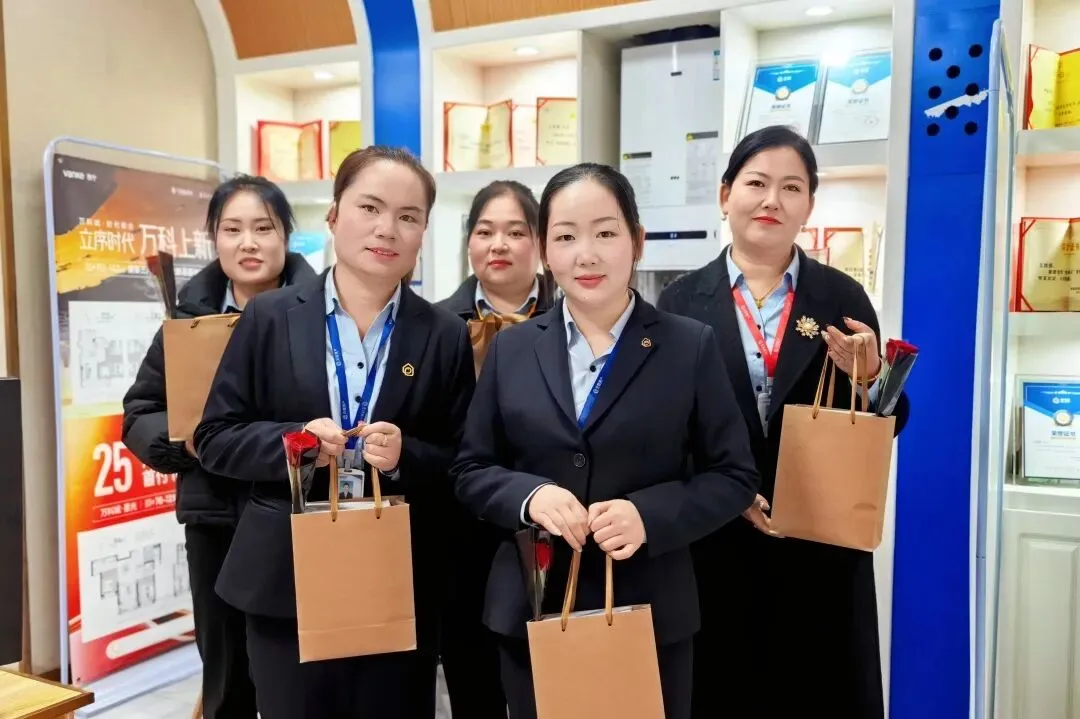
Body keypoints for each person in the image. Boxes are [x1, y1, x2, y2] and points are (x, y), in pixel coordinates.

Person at [451, 163, 760, 719]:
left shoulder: (689, 347)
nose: (586, 255)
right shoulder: (513, 350)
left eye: (605, 233)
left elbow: (735, 476)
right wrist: (529, 497)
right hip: (534, 608)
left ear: (636, 241)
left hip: (650, 613)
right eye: (566, 237)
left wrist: (649, 515)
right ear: (545, 250)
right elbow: (471, 469)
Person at [192, 146, 475, 718]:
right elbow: (215, 437)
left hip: (397, 576)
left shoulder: (444, 333)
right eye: (369, 207)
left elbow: (465, 462)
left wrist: (405, 456)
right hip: (288, 578)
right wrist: (293, 444)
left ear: (423, 233)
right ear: (333, 215)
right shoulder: (270, 317)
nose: (386, 228)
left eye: (408, 216)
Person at [656, 125, 912, 719]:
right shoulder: (679, 301)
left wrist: (872, 377)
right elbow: (663, 427)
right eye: (756, 183)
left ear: (809, 206)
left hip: (820, 546)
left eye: (791, 187)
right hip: (715, 542)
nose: (772, 200)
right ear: (725, 195)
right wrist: (728, 491)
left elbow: (888, 420)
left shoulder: (842, 297)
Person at [122, 175, 314, 719]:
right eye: (232, 230)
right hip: (215, 516)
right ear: (215, 239)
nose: (247, 243)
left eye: (263, 229)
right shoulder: (188, 320)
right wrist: (186, 443)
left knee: (298, 665)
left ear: (286, 237)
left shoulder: (321, 314)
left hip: (296, 513)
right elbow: (140, 410)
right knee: (225, 668)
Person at [435, 179, 555, 719]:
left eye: (515, 232)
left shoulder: (578, 315)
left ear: (539, 242)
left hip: (551, 522)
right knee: (473, 680)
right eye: (484, 232)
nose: (498, 245)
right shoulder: (436, 324)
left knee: (552, 684)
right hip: (462, 531)